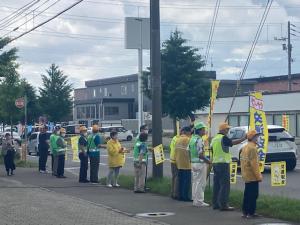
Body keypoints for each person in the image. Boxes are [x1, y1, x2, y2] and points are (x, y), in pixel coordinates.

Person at [211, 122, 246, 211]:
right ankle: (224, 205)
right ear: (222, 130)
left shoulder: (214, 139)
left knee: (217, 185)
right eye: (227, 129)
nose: (228, 130)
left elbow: (212, 149)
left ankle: (215, 203)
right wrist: (243, 138)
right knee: (225, 185)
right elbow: (232, 142)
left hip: (215, 163)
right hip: (223, 163)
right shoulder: (223, 138)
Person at [241, 130, 263, 219]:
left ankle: (245, 212)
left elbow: (242, 162)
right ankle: (251, 213)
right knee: (253, 195)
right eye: (256, 137)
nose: (257, 138)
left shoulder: (245, 147)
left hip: (246, 175)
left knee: (247, 194)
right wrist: (259, 176)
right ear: (252, 138)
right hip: (252, 176)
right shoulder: (253, 148)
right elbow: (254, 165)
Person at [189, 122, 211, 207]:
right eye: (203, 129)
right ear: (199, 130)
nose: (205, 131)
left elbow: (188, 151)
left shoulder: (192, 139)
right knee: (201, 183)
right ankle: (199, 201)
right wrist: (208, 161)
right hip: (200, 163)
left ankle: (194, 199)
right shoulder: (199, 140)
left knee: (195, 182)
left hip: (193, 163)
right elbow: (200, 154)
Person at [175, 126, 192, 201]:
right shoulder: (188, 139)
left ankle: (180, 196)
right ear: (187, 132)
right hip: (186, 163)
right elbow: (191, 151)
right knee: (186, 181)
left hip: (179, 163)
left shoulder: (178, 140)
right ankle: (185, 197)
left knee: (181, 180)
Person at [170, 128, 182, 199]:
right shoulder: (179, 139)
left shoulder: (174, 138)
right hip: (176, 159)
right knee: (177, 176)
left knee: (174, 176)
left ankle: (172, 192)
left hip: (172, 158)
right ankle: (176, 193)